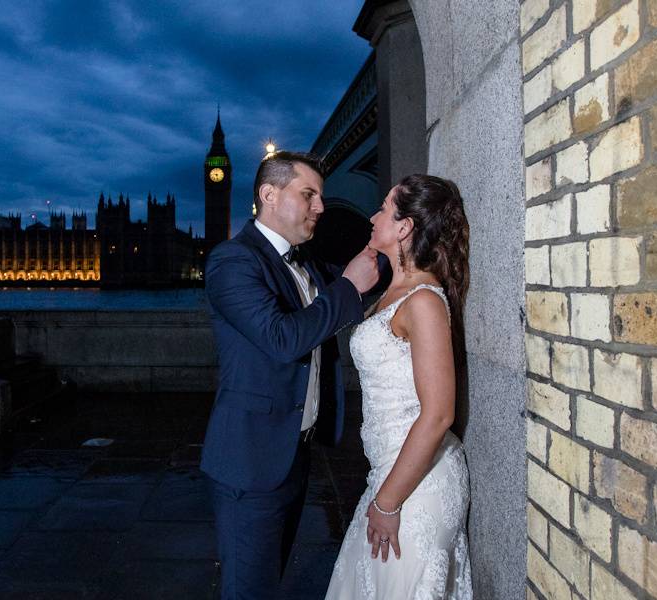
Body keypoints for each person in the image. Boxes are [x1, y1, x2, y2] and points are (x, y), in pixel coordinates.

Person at [201, 151, 380, 600]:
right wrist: (348, 287)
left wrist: (391, 243)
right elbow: (282, 338)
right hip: (250, 462)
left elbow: (362, 288)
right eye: (309, 195)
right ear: (269, 195)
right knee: (247, 589)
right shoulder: (232, 261)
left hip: (293, 455)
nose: (320, 206)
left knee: (268, 579)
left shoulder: (308, 263)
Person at [325, 174, 473, 599]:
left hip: (415, 488)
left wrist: (388, 503)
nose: (372, 217)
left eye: (385, 209)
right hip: (387, 475)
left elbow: (439, 412)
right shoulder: (392, 292)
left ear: (405, 227)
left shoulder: (423, 301)